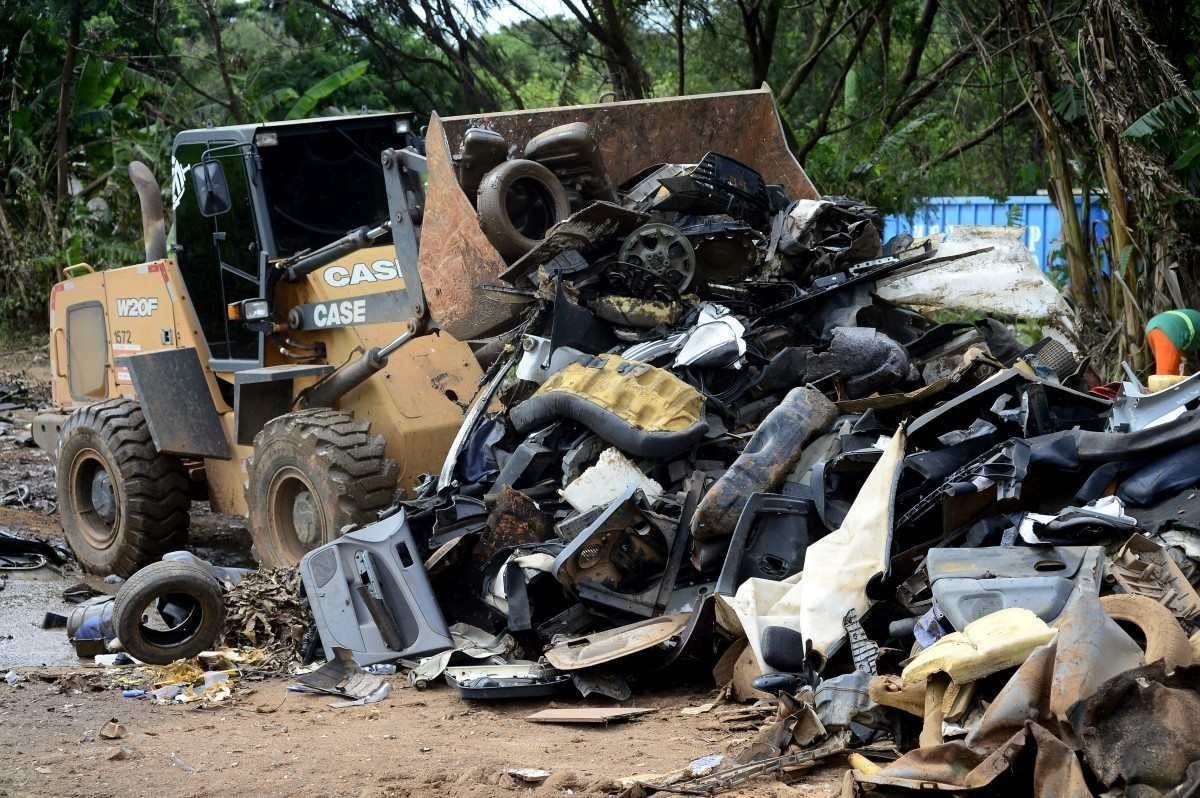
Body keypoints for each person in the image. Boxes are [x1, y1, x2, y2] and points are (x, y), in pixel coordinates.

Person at [1145, 309, 1200, 375]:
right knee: (1164, 377)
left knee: (1174, 370)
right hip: (1169, 332)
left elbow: (1183, 359)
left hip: (1152, 326)